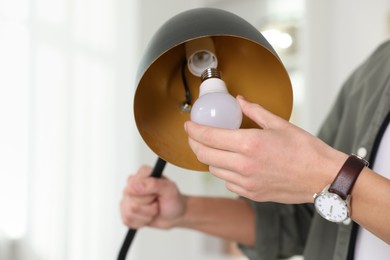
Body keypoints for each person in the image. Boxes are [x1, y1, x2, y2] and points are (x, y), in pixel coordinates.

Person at [120, 40, 390, 260]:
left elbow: (324, 186)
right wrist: (184, 210)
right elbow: (309, 219)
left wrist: (325, 176)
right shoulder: (376, 71)